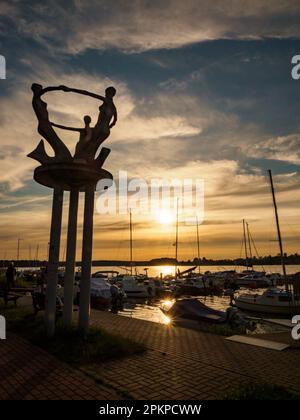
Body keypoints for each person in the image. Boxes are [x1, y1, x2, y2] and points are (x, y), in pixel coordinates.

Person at [60, 85, 117, 158]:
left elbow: (87, 93)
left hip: (99, 127)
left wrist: (70, 89)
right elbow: (115, 121)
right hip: (106, 131)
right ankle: (90, 160)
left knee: (91, 142)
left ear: (109, 93)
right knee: (95, 146)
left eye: (106, 93)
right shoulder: (114, 107)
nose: (105, 95)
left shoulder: (106, 100)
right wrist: (108, 127)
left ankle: (84, 158)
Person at [31, 83, 72, 160]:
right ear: (35, 89)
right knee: (63, 151)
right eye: (39, 89)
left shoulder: (38, 98)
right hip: (44, 125)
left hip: (46, 124)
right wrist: (59, 88)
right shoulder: (35, 98)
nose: (41, 90)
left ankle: (42, 155)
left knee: (59, 147)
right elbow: (46, 90)